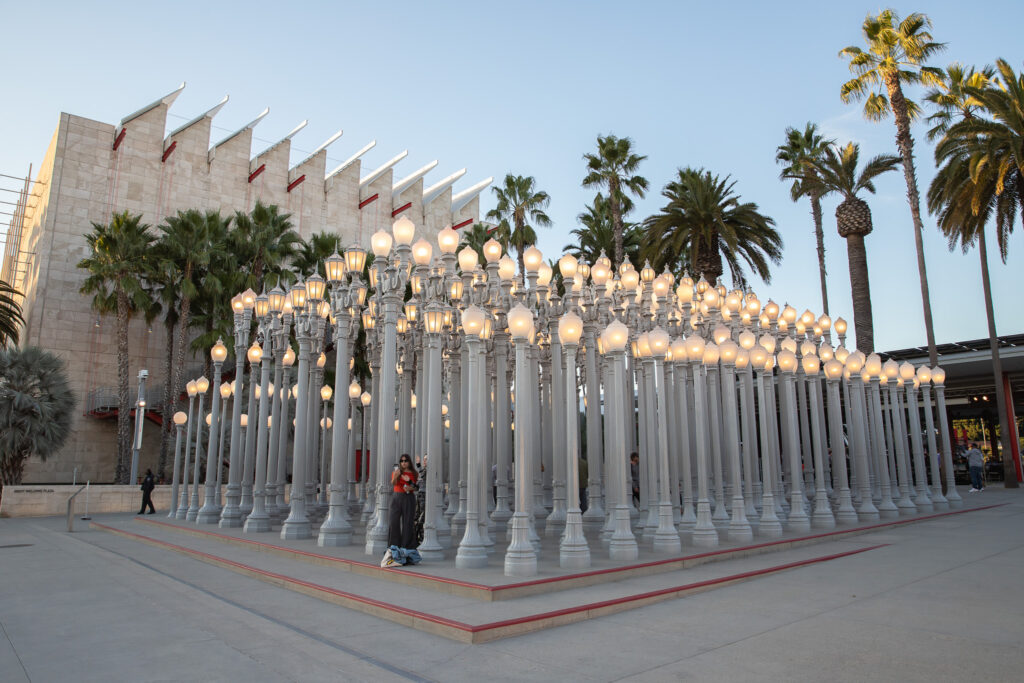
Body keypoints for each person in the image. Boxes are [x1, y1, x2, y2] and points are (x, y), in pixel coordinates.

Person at [386, 454, 418, 557]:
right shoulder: (397, 472)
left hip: (408, 498)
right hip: (396, 497)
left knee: (408, 522)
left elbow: (416, 487)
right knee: (393, 521)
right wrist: (396, 476)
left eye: (406, 460)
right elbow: (393, 483)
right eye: (402, 461)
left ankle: (407, 548)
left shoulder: (414, 473)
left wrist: (410, 488)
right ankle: (394, 547)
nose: (403, 463)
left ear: (409, 462)